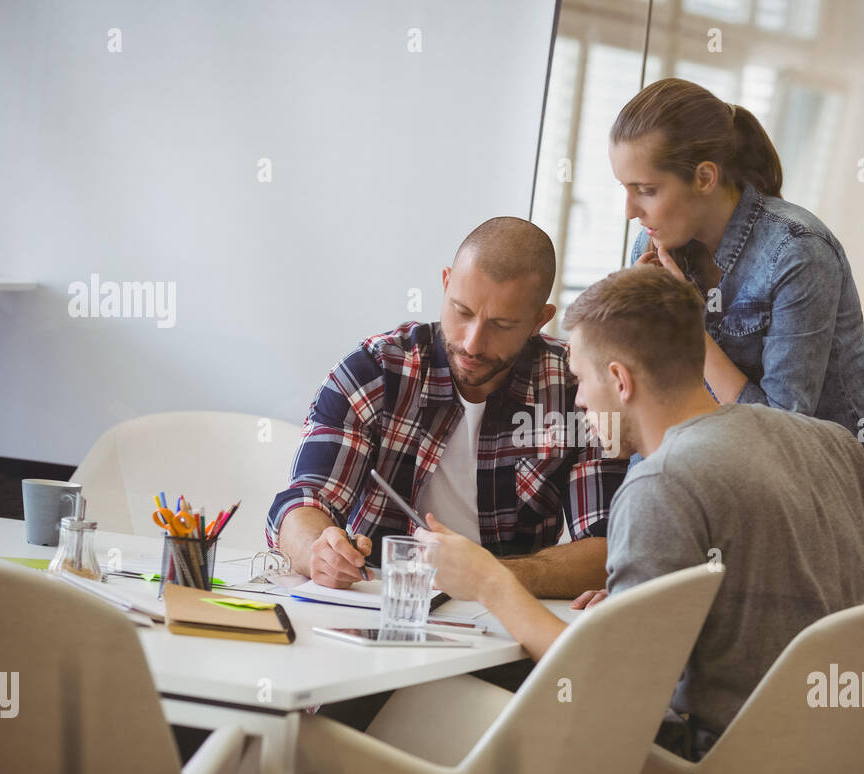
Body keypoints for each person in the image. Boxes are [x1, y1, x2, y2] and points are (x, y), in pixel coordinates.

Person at [416, 267, 864, 761]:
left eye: (581, 381)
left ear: (620, 380)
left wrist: (491, 582)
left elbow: (611, 689)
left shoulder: (661, 483)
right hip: (858, 771)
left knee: (437, 712)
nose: (580, 402)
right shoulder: (827, 442)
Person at [265, 216, 628, 601]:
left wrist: (484, 576)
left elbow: (607, 551)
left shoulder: (579, 389)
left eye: (502, 325)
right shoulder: (375, 370)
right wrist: (316, 552)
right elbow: (302, 502)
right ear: (445, 283)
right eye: (462, 312)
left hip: (509, 623)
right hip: (376, 608)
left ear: (540, 320)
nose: (473, 343)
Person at [609, 77, 864, 472]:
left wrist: (686, 328)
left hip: (838, 495)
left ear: (704, 178)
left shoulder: (798, 251)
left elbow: (780, 434)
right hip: (732, 482)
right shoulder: (652, 248)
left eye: (645, 189)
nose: (630, 211)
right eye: (624, 189)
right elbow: (649, 407)